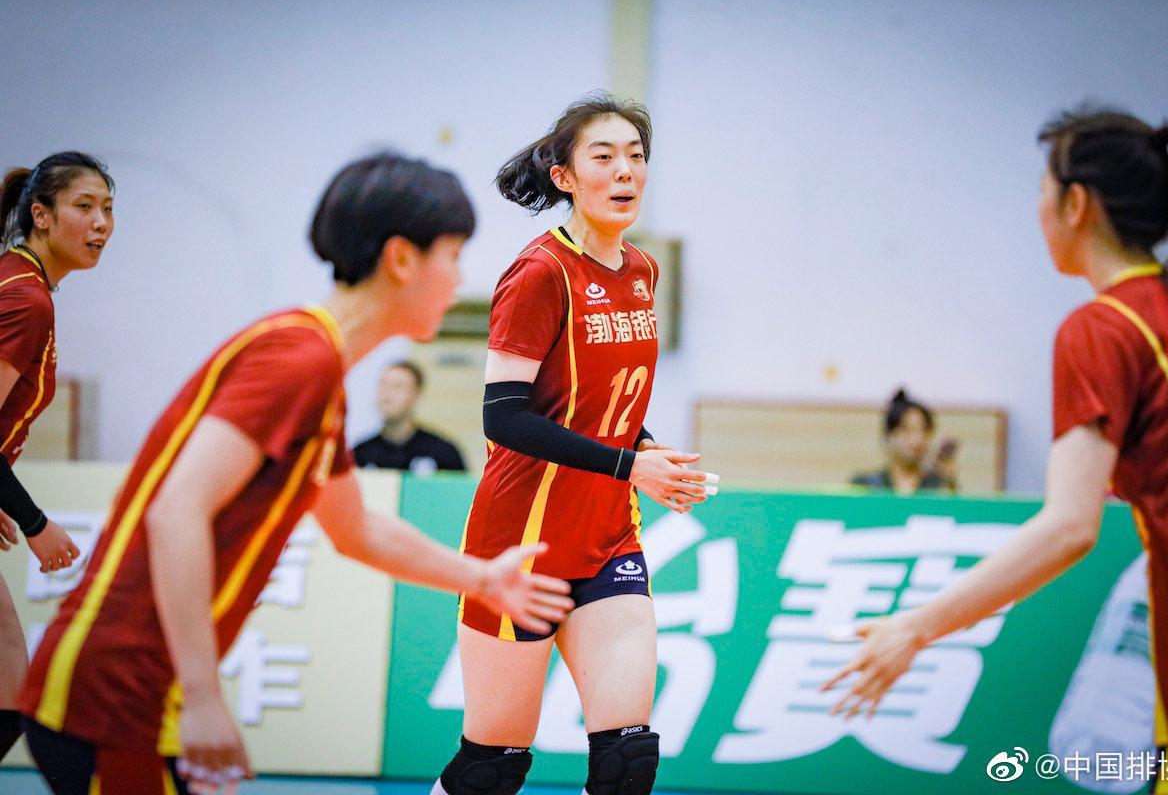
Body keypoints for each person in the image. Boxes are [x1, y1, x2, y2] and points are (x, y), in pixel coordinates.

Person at [17, 152, 574, 795]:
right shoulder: (298, 358)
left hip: (134, 699)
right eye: (452, 255)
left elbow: (357, 531)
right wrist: (203, 698)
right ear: (401, 259)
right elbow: (176, 511)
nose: (459, 278)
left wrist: (483, 579)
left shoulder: (320, 374)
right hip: (114, 700)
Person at [822, 108, 1168, 793]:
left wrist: (914, 628)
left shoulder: (1103, 329)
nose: (1038, 208)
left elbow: (1070, 526)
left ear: (1076, 204)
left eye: (1041, 188)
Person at [432, 93, 717, 795]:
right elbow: (505, 418)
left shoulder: (643, 272)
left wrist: (647, 450)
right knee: (492, 768)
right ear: (564, 177)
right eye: (605, 156)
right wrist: (630, 464)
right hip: (520, 546)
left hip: (607, 536)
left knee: (628, 763)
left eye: (637, 157)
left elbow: (599, 405)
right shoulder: (540, 272)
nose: (625, 171)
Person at [0, 152, 113, 762]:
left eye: (108, 209)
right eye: (84, 207)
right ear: (40, 216)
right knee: (9, 688)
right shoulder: (26, 299)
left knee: (9, 685)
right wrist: (36, 524)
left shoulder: (17, 282)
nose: (101, 224)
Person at [353, 360, 467, 473]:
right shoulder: (360, 454)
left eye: (397, 386)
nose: (387, 393)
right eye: (383, 384)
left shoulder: (443, 453)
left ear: (417, 395)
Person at [849, 388, 958, 494]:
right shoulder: (865, 485)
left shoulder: (937, 486)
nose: (917, 439)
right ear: (888, 435)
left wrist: (949, 482)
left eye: (924, 430)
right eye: (907, 430)